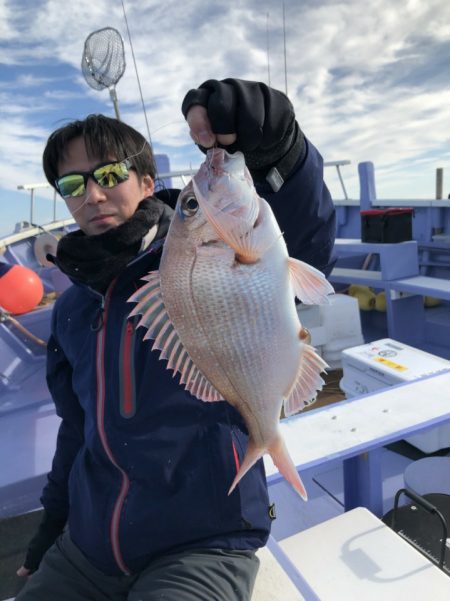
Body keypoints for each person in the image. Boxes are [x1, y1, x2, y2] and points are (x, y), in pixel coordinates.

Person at [15, 78, 336, 601]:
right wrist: (53, 524)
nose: (92, 195)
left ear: (146, 181)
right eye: (73, 186)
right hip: (88, 546)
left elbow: (303, 244)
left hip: (202, 542)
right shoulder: (72, 305)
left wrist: (283, 153)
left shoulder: (188, 258)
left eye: (110, 174)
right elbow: (76, 430)